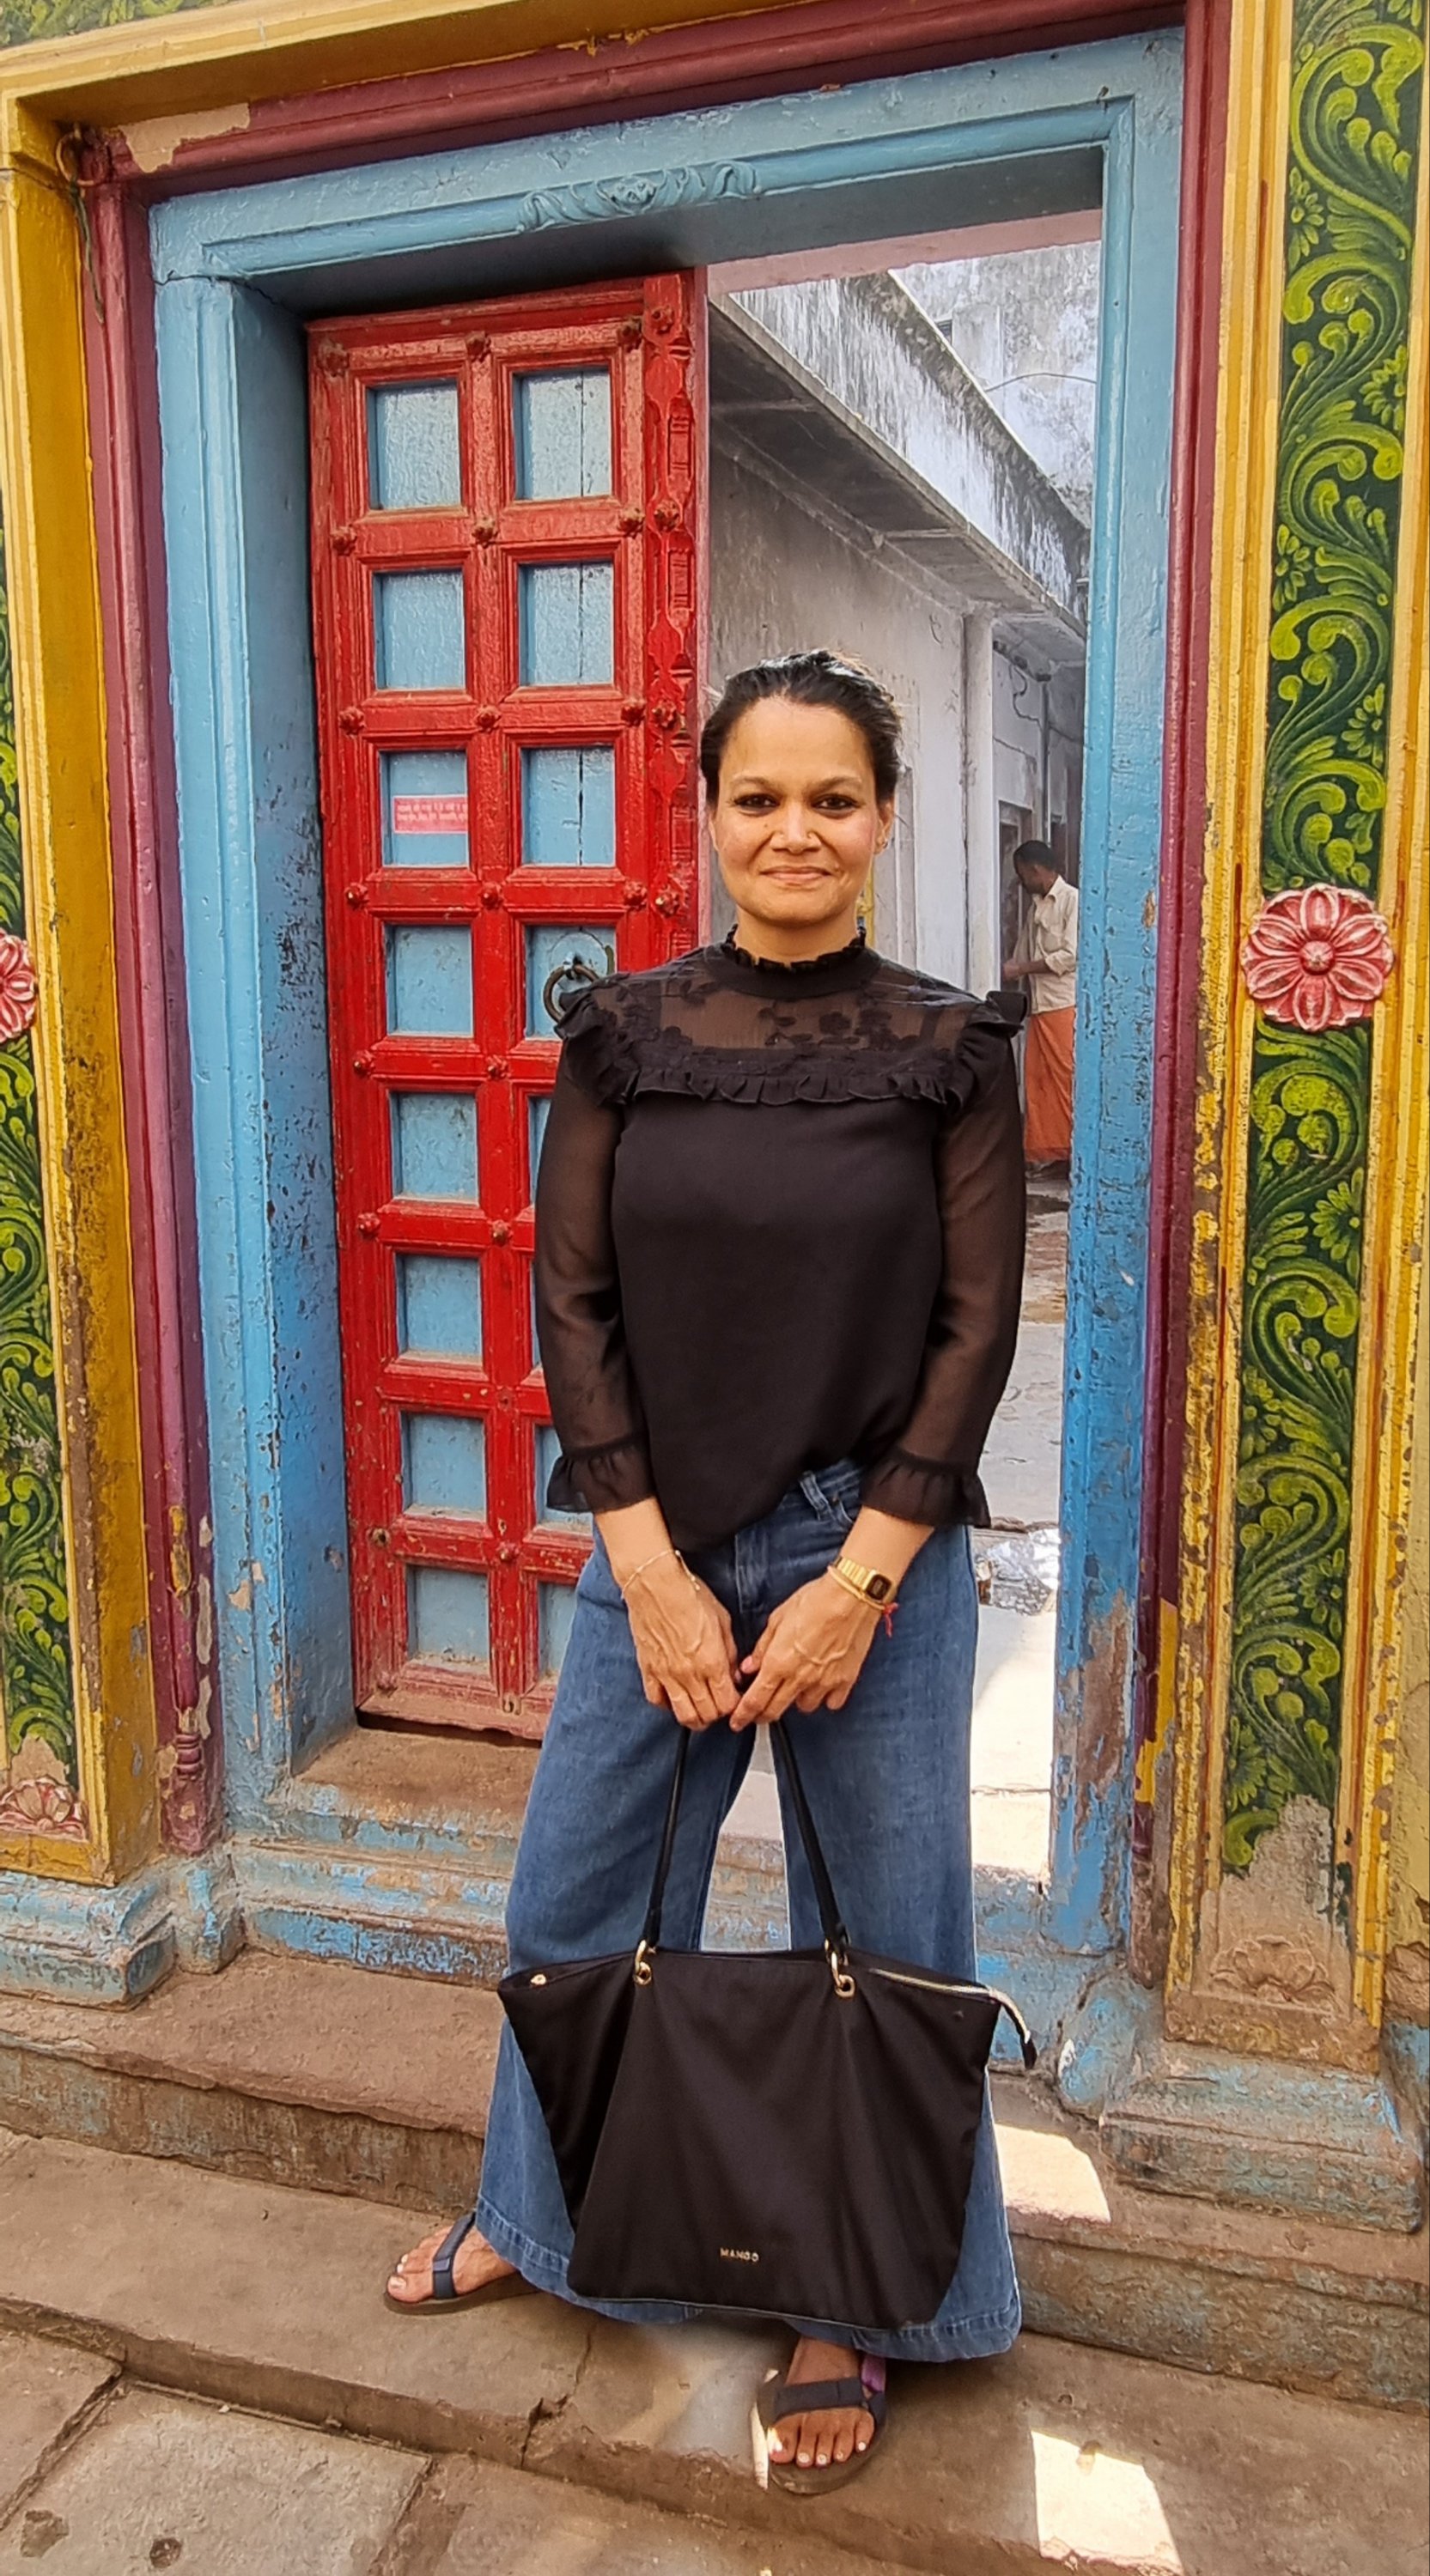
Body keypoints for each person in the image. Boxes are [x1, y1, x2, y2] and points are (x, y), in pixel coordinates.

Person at [386, 650, 1026, 2496]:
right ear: (712, 816)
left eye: (833, 798)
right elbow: (568, 1301)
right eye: (760, 797)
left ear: (883, 819)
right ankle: (544, 2215)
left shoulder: (947, 1052)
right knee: (570, 1911)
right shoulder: (625, 1035)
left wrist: (863, 1580)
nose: (796, 831)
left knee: (890, 1945)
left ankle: (865, 2301)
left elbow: (973, 1329)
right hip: (657, 1543)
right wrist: (650, 1568)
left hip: (864, 1554)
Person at [1004, 838, 1078, 1171]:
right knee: (1039, 1081)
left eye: (1022, 874)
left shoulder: (1071, 901)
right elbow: (1022, 952)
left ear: (1035, 870)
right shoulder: (1037, 907)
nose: (1021, 881)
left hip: (1063, 1004)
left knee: (1065, 1080)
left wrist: (1022, 969)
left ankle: (1074, 1151)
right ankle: (1050, 1151)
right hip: (1041, 1005)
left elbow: (1070, 955)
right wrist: (1010, 969)